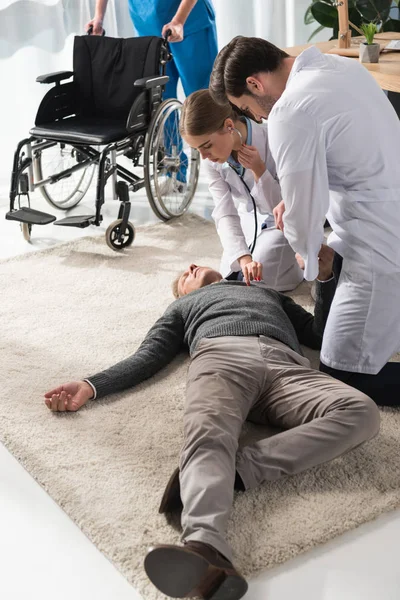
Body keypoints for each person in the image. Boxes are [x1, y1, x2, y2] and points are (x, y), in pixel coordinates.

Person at [44, 246, 380, 600]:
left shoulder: (267, 293)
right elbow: (148, 356)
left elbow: (319, 334)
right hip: (222, 359)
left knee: (362, 411)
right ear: (183, 295)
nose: (191, 265)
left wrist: (326, 281)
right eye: (184, 277)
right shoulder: (181, 308)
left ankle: (236, 469)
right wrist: (91, 385)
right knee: (208, 434)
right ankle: (204, 547)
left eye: (194, 265)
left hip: (288, 369)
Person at [209, 36, 400, 406]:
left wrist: (307, 254)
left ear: (254, 84)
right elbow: (346, 159)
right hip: (387, 213)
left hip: (380, 242)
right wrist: (295, 206)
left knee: (341, 374)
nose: (256, 117)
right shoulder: (343, 67)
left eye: (245, 108)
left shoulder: (290, 110)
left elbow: (304, 223)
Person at [180, 89, 304, 290]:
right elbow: (225, 213)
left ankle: (303, 264)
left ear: (229, 125)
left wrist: (259, 170)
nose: (203, 156)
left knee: (262, 276)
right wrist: (244, 258)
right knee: (232, 273)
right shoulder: (211, 162)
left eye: (207, 146)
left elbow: (286, 207)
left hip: (285, 224)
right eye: (197, 150)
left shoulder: (274, 139)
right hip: (248, 224)